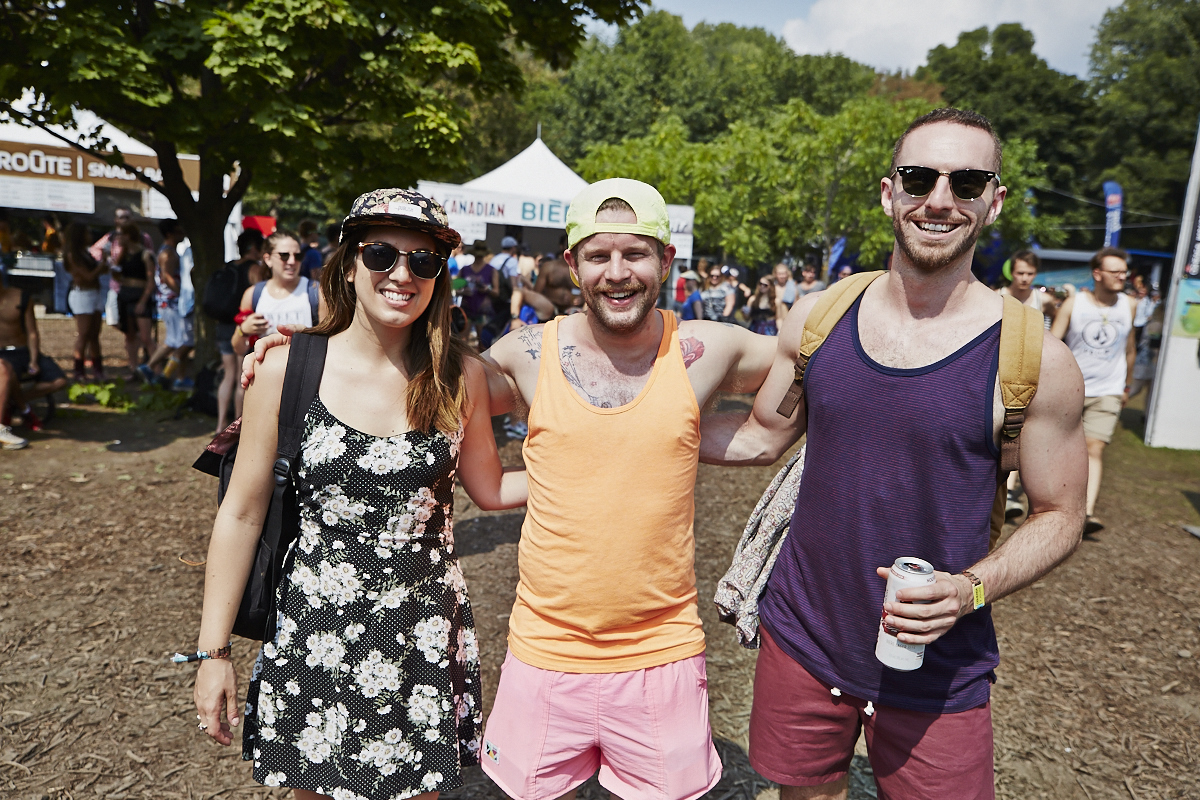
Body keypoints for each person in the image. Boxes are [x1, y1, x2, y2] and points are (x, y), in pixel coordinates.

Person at [245, 178, 778, 800]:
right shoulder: (525, 354)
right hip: (539, 649)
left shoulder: (709, 348)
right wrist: (304, 357)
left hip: (661, 649)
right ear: (573, 265)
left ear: (665, 260)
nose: (617, 272)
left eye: (635, 253)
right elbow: (431, 380)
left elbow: (814, 367)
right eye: (599, 255)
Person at [700, 108, 1087, 799]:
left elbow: (1060, 513)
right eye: (919, 177)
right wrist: (630, 427)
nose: (939, 199)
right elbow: (761, 436)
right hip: (803, 635)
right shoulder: (818, 320)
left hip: (939, 659)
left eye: (966, 182)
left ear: (992, 202)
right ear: (889, 193)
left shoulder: (1037, 361)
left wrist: (970, 589)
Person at [193, 188, 528, 799]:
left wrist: (596, 466)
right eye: (381, 254)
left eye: (423, 260)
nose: (402, 274)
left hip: (421, 633)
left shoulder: (459, 376)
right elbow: (241, 514)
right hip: (315, 631)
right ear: (349, 263)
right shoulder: (286, 370)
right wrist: (212, 652)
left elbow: (492, 487)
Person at [1051, 246, 1137, 534]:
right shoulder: (1074, 304)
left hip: (1109, 389)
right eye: (1115, 272)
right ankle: (1052, 507)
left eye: (1124, 272)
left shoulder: (1130, 305)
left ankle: (1086, 513)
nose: (1121, 277)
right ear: (1097, 274)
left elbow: (1129, 348)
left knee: (1094, 448)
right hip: (1071, 388)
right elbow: (1051, 344)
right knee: (1058, 449)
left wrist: (1126, 385)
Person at [230, 231, 322, 356]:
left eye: (298, 256)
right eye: (284, 255)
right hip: (265, 373)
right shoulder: (253, 294)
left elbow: (329, 342)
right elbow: (238, 350)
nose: (291, 261)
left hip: (305, 372)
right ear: (267, 259)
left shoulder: (316, 292)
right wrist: (243, 330)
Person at [0, 282, 69, 433]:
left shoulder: (20, 297)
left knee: (59, 381)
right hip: (2, 355)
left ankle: (15, 403)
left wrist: (33, 359)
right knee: (7, 373)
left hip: (23, 349)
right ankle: (25, 411)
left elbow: (32, 332)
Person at [140, 220, 193, 387]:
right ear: (170, 233)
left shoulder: (170, 251)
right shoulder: (168, 254)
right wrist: (181, 293)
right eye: (179, 231)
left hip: (170, 302)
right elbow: (167, 277)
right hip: (171, 303)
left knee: (179, 340)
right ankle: (152, 369)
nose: (183, 233)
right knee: (180, 341)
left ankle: (179, 378)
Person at [112, 222, 157, 379]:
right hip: (125, 295)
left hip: (139, 295)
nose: (118, 238)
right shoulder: (123, 255)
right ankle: (133, 368)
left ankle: (156, 370)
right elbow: (117, 274)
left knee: (145, 337)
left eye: (120, 234)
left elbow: (151, 281)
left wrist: (143, 301)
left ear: (128, 235)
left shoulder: (145, 255)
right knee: (129, 335)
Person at [63, 222, 108, 382]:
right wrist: (101, 266)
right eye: (87, 232)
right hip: (82, 295)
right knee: (83, 334)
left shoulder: (86, 253)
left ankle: (98, 370)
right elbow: (87, 276)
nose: (90, 236)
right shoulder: (72, 255)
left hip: (94, 293)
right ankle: (79, 370)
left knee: (95, 334)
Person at [998, 250, 1055, 328]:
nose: (1025, 278)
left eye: (1030, 274)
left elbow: (1058, 322)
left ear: (1036, 274)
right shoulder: (997, 296)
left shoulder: (1044, 300)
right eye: (1020, 273)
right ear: (1011, 272)